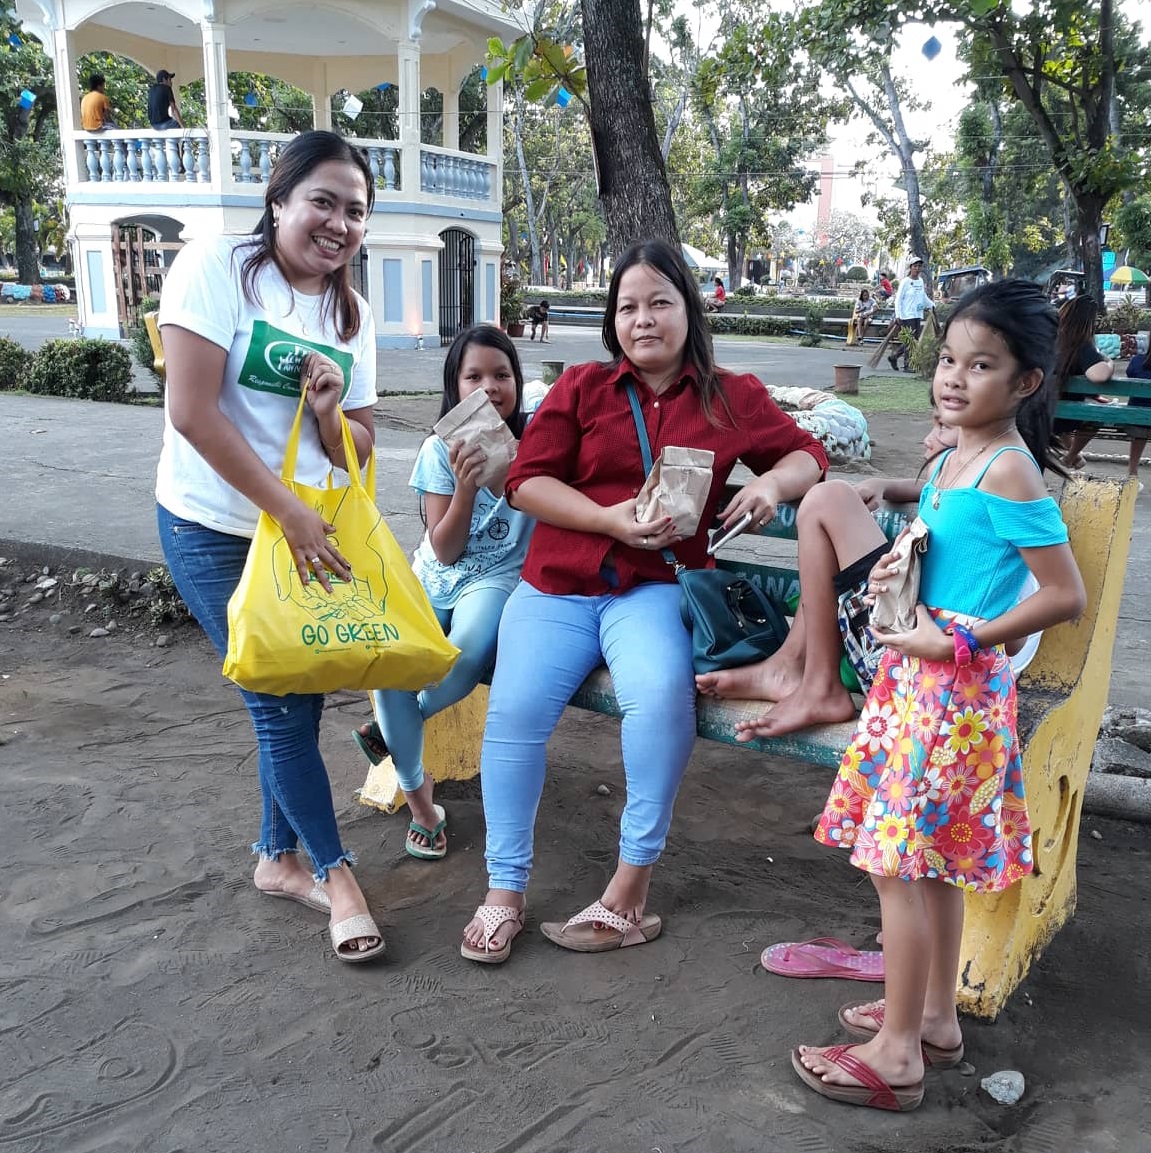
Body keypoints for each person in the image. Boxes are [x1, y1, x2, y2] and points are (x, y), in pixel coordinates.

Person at [459, 238, 828, 963]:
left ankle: (629, 890)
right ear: (613, 321)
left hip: (654, 588)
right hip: (558, 584)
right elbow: (526, 481)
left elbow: (807, 455)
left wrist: (769, 484)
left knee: (660, 701)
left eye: (659, 302)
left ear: (688, 309)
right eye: (627, 307)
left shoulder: (732, 397)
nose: (643, 319)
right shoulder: (581, 388)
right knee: (514, 714)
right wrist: (607, 519)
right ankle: (504, 889)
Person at [788, 279, 1086, 1112]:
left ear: (1025, 382)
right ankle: (932, 1019)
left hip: (951, 694)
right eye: (948, 358)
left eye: (980, 364)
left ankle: (894, 1055)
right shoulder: (954, 455)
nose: (953, 376)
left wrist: (960, 639)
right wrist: (897, 546)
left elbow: (1063, 595)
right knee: (930, 866)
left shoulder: (1010, 470)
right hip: (915, 682)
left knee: (896, 866)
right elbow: (950, 543)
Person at [155, 131, 386, 964]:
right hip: (212, 526)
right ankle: (336, 875)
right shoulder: (217, 268)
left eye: (355, 210)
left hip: (300, 529)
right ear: (279, 198)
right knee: (277, 700)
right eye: (322, 200)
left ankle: (277, 858)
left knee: (297, 695)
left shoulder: (349, 315)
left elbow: (359, 447)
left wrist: (327, 413)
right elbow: (191, 412)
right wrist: (287, 509)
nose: (338, 223)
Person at [351, 325, 535, 858]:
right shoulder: (438, 449)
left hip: (496, 576)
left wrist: (509, 473)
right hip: (436, 572)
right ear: (454, 385)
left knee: (465, 653)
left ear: (517, 381)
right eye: (473, 376)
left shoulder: (536, 444)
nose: (489, 387)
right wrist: (465, 488)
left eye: (501, 374)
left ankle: (392, 728)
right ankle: (422, 808)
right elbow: (445, 549)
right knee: (390, 662)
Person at [1055, 295, 1117, 470]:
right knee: (1099, 414)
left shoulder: (1048, 340)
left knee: (1065, 407)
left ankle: (1073, 457)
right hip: (1063, 416)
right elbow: (1099, 376)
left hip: (1038, 411)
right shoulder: (1081, 345)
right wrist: (1109, 362)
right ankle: (1071, 456)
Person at [887, 257, 933, 372]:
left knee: (914, 340)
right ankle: (907, 365)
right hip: (906, 315)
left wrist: (932, 305)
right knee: (910, 339)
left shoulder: (920, 281)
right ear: (910, 267)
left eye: (919, 266)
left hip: (917, 314)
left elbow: (923, 297)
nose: (917, 268)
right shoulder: (905, 282)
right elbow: (898, 299)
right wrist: (898, 315)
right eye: (915, 266)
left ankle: (894, 357)